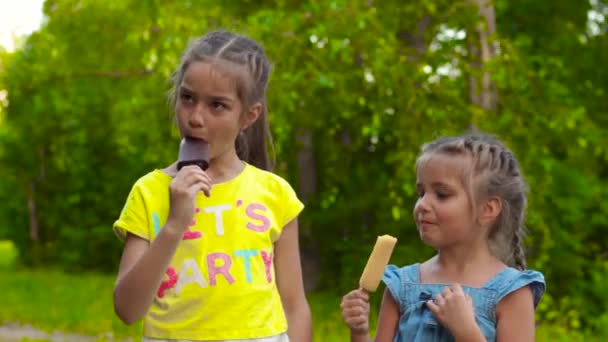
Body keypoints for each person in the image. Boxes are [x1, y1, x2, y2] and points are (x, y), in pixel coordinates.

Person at [112, 30, 312, 342]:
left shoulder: (276, 195)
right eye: (187, 98)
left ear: (248, 116)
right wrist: (174, 225)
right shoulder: (149, 192)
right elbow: (127, 309)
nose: (195, 118)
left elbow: (294, 305)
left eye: (216, 105)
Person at [341, 132, 545, 341]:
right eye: (421, 192)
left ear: (487, 209)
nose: (422, 205)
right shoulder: (401, 286)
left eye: (442, 194)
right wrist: (359, 331)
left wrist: (467, 332)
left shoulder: (512, 293)